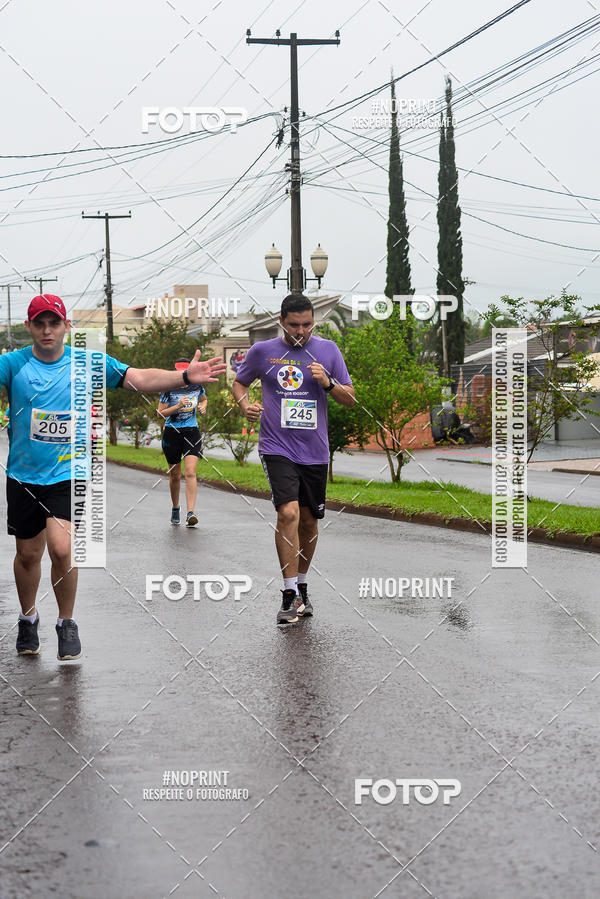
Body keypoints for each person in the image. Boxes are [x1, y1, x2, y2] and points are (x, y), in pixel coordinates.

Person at [0, 294, 226, 661]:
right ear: (28, 327)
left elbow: (138, 377)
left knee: (62, 548)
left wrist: (184, 377)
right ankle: (28, 618)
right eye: (39, 323)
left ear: (66, 327)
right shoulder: (13, 364)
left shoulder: (87, 362)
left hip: (68, 470)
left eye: (53, 323)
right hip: (24, 474)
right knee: (28, 554)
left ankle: (66, 622)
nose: (46, 330)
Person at [232, 293, 355, 625]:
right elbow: (239, 382)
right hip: (276, 447)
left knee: (309, 523)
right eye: (294, 325)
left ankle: (302, 585)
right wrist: (245, 405)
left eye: (307, 324)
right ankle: (288, 594)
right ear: (281, 322)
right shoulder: (263, 352)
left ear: (313, 322)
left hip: (314, 451)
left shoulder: (328, 351)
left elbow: (350, 397)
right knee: (287, 512)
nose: (300, 331)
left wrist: (327, 383)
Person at [158, 357, 208, 527]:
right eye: (180, 372)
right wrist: (177, 406)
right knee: (175, 475)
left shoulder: (197, 387)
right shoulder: (168, 389)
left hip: (191, 432)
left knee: (191, 472)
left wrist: (203, 406)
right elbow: (160, 413)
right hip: (172, 433)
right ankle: (175, 507)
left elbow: (203, 399)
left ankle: (191, 512)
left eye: (186, 372)